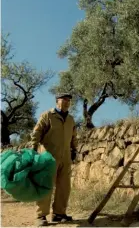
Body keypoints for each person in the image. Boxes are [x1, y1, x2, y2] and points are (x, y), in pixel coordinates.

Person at [30, 93, 78, 226]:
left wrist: (74, 149)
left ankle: (59, 214)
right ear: (57, 101)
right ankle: (41, 216)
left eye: (69, 101)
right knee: (46, 185)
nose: (67, 102)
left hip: (66, 157)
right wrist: (33, 148)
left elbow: (73, 136)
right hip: (48, 157)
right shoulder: (48, 116)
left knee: (64, 187)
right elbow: (37, 132)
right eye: (64, 100)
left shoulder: (71, 119)